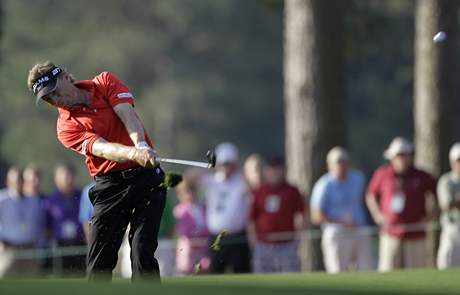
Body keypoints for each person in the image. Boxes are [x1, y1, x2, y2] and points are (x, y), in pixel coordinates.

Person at [27, 61, 166, 281]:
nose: (53, 100)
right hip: (109, 186)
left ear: (64, 77)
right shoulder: (65, 127)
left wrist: (140, 146)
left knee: (142, 253)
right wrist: (133, 153)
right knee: (98, 264)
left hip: (146, 178)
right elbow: (102, 148)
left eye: (53, 91)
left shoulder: (104, 82)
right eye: (47, 98)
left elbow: (126, 114)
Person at [366, 137, 438, 271]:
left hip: (416, 233)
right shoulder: (382, 174)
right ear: (392, 157)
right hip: (390, 233)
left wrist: (430, 216)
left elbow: (436, 195)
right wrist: (377, 215)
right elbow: (371, 194)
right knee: (388, 271)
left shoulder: (422, 176)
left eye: (406, 155)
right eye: (399, 155)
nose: (403, 159)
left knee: (417, 273)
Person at [310, 147, 374, 273]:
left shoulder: (358, 178)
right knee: (338, 273)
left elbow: (364, 200)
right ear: (329, 164)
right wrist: (342, 222)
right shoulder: (323, 184)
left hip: (359, 230)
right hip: (336, 233)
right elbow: (316, 216)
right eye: (337, 162)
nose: (341, 165)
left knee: (367, 270)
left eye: (344, 161)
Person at [200, 142, 251, 274]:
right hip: (216, 238)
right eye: (223, 164)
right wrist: (210, 167)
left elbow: (253, 187)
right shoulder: (211, 180)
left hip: (238, 236)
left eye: (229, 164)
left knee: (242, 275)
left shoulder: (241, 181)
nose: (226, 167)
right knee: (215, 275)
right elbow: (190, 178)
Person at [249, 157, 305, 273]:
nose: (274, 173)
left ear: (283, 170)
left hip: (287, 245)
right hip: (264, 245)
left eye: (277, 169)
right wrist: (253, 241)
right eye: (271, 169)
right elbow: (251, 219)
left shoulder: (292, 191)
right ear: (265, 171)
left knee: (290, 279)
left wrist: (299, 237)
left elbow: (302, 214)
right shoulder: (259, 191)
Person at [0, 166, 44, 277]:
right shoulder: (2, 200)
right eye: (15, 181)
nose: (18, 183)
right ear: (8, 182)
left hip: (30, 250)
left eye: (20, 180)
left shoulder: (34, 200)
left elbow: (39, 225)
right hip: (9, 250)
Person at [42, 163, 86, 276]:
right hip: (59, 246)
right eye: (64, 176)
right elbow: (47, 225)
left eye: (70, 176)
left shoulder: (83, 196)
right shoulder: (50, 200)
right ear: (56, 178)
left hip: (80, 245)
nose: (67, 179)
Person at [174, 179, 209, 275]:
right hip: (188, 250)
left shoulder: (204, 207)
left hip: (203, 249)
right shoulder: (179, 211)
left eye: (191, 190)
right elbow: (183, 232)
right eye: (186, 192)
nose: (190, 194)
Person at [437, 143, 460, 269]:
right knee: (447, 263)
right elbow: (446, 204)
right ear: (452, 162)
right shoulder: (447, 181)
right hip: (453, 227)